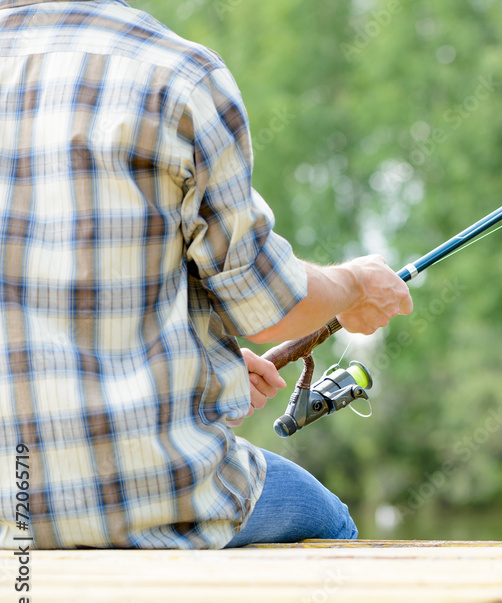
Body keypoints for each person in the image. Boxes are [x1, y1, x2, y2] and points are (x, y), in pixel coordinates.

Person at [0, 0, 412, 549]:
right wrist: (355, 285)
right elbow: (271, 308)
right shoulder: (179, 76)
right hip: (153, 497)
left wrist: (198, 361)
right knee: (332, 522)